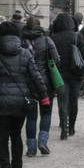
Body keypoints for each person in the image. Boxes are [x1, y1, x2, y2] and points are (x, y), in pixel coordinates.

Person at [0, 22, 49, 168]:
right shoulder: (25, 53)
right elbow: (36, 77)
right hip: (21, 100)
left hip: (0, 101)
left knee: (2, 139)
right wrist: (44, 97)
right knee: (16, 136)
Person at [21, 16, 60, 157]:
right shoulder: (46, 40)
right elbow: (56, 59)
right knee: (46, 113)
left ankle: (31, 148)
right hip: (45, 83)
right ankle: (43, 141)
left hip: (28, 82)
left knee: (31, 117)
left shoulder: (22, 41)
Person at [51, 12, 84, 139]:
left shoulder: (54, 37)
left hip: (60, 73)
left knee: (62, 101)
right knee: (73, 101)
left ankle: (64, 128)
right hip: (76, 74)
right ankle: (72, 127)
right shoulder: (76, 36)